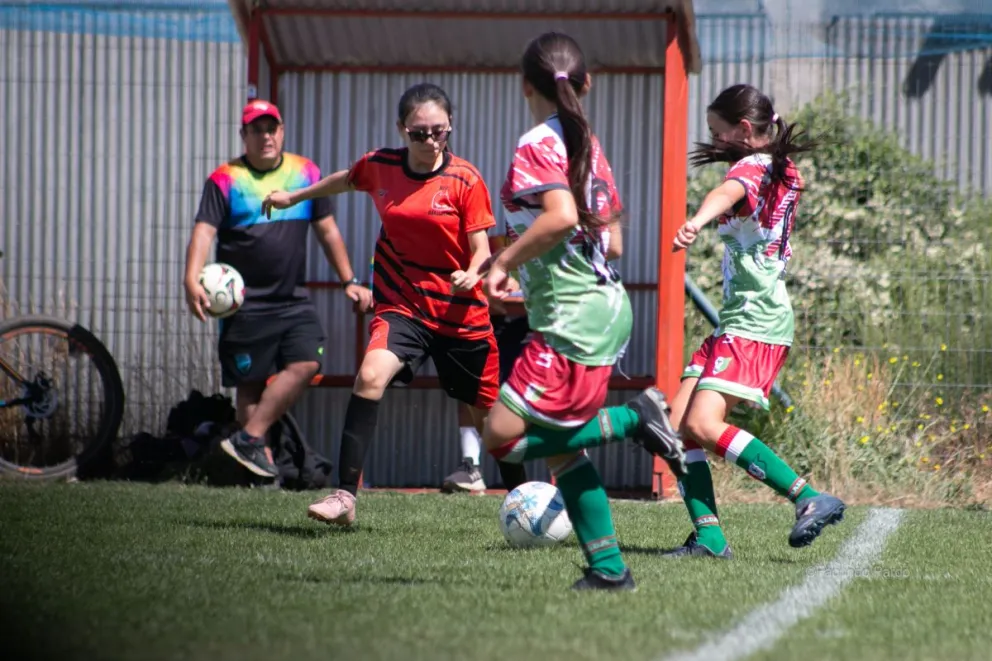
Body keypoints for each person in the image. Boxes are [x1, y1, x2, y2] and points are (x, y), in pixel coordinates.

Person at [480, 31, 688, 592]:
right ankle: (608, 569)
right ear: (587, 83)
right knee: (563, 451)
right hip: (592, 308)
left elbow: (562, 218)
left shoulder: (535, 144)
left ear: (525, 84)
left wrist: (504, 261)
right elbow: (612, 242)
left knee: (499, 436)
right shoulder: (587, 144)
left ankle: (632, 419)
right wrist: (531, 284)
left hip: (575, 318)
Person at [262, 83, 525, 524]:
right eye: (418, 132)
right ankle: (344, 496)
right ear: (402, 130)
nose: (428, 141)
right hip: (402, 303)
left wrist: (473, 272)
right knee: (370, 374)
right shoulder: (381, 166)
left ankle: (527, 499)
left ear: (449, 128)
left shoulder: (465, 178)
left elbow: (482, 248)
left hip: (461, 313)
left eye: (437, 131)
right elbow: (346, 179)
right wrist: (293, 197)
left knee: (492, 425)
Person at [665, 83, 846, 559]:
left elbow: (729, 190)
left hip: (756, 319)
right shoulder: (782, 169)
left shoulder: (752, 167)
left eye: (717, 132)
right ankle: (709, 538)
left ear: (744, 130)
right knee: (679, 425)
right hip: (737, 318)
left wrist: (697, 220)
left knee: (703, 424)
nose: (713, 140)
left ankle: (807, 496)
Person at [184, 99, 372, 479]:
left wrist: (349, 280)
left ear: (282, 131)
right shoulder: (224, 179)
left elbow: (327, 229)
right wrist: (191, 278)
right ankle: (260, 470)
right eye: (257, 129)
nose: (266, 136)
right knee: (249, 391)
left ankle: (247, 440)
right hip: (244, 306)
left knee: (308, 360)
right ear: (245, 136)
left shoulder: (306, 172)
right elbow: (204, 231)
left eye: (272, 128)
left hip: (291, 301)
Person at [443, 235, 532, 494]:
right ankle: (472, 467)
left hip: (531, 324)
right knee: (469, 389)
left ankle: (565, 468)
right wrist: (484, 284)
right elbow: (469, 279)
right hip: (487, 322)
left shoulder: (553, 228)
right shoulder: (487, 241)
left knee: (539, 396)